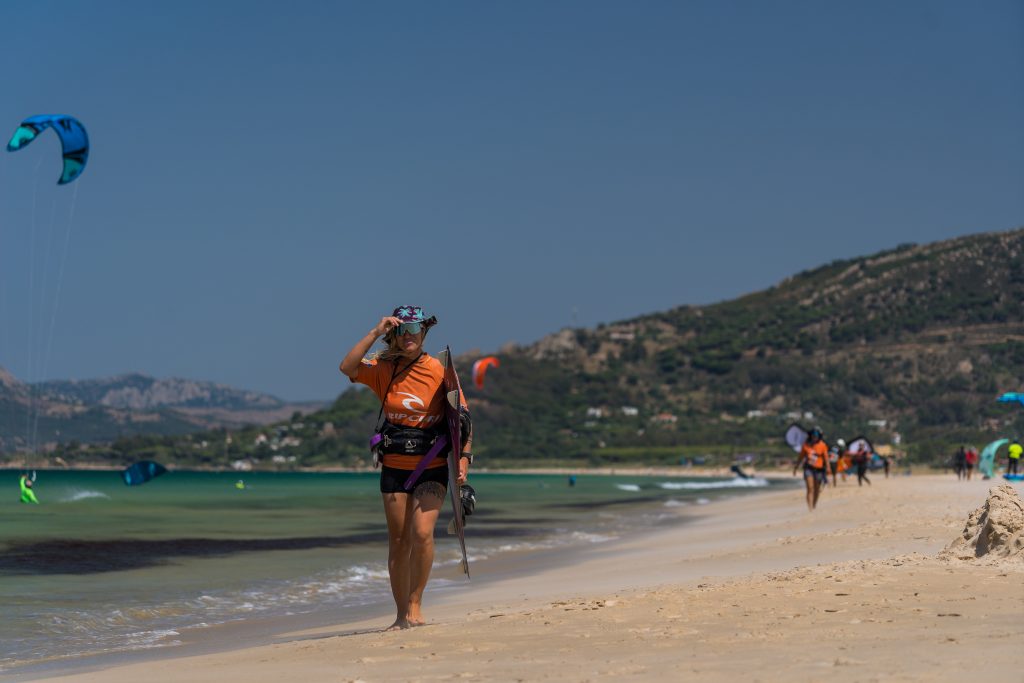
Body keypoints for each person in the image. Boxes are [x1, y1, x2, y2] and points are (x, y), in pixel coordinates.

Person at [339, 306, 472, 631]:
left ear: (424, 332)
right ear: (394, 334)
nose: (409, 335)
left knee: (422, 533)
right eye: (402, 329)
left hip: (433, 466)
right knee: (399, 541)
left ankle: (415, 603)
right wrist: (374, 330)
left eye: (415, 328)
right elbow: (347, 367)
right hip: (395, 468)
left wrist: (464, 460)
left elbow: (463, 422)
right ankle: (401, 615)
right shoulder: (383, 369)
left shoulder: (440, 372)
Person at [793, 427, 829, 510]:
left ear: (819, 436)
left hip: (819, 469)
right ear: (811, 436)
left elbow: (826, 458)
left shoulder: (822, 445)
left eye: (816, 435)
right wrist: (796, 468)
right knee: (810, 488)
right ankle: (810, 508)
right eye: (813, 435)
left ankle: (814, 505)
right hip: (808, 468)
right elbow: (800, 457)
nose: (814, 437)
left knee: (817, 489)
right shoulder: (806, 445)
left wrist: (828, 468)